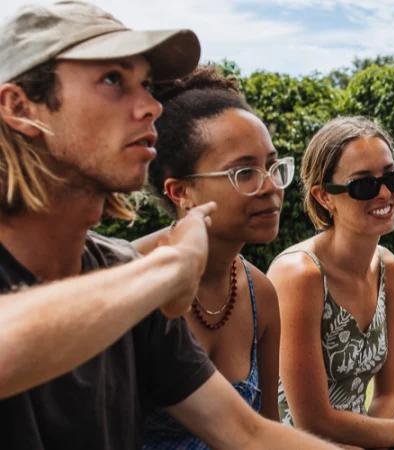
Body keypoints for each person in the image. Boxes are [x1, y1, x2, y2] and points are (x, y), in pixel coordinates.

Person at [0, 2, 334, 448]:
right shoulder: (144, 279)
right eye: (113, 80)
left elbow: (248, 433)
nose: (151, 106)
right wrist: (174, 267)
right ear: (20, 107)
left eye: (147, 85)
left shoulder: (121, 273)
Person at [130, 64, 290, 448]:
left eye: (272, 165)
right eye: (244, 172)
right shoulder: (129, 281)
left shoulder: (260, 294)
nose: (270, 186)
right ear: (180, 192)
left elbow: (265, 432)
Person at [269, 116, 394, 449]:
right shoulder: (300, 274)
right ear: (324, 197)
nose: (385, 193)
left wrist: (378, 438)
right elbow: (312, 421)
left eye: (392, 178)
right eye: (363, 184)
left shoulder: (389, 269)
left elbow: (388, 393)